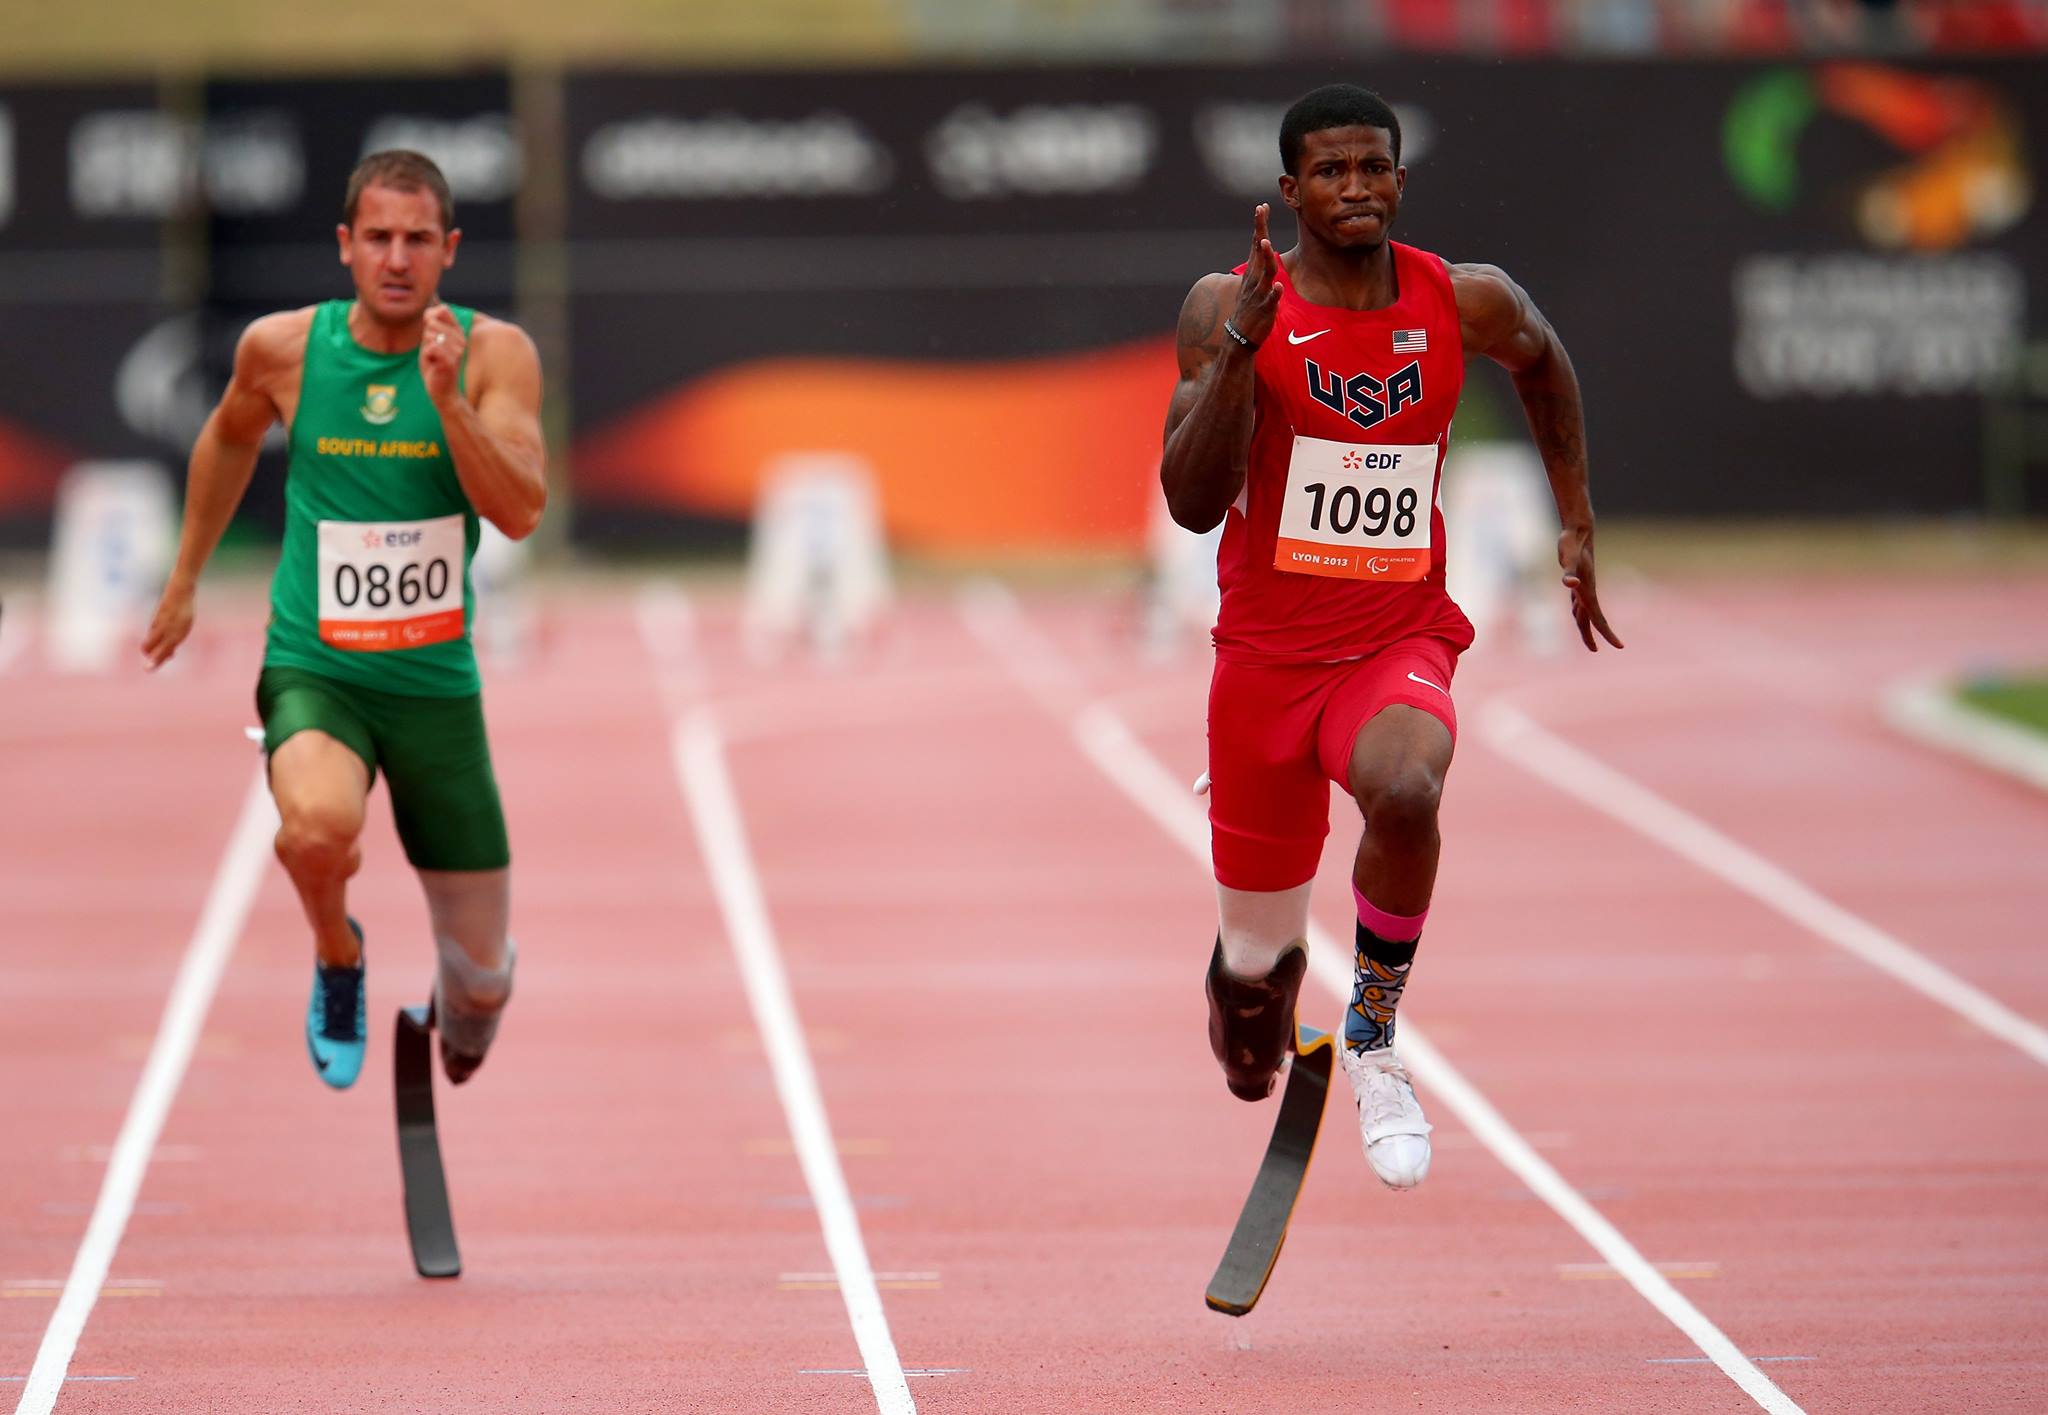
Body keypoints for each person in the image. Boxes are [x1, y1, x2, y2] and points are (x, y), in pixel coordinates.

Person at [1163, 85, 1621, 1189]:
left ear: (1400, 180)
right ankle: (1247, 994)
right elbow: (1187, 498)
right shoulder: (1222, 306)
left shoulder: (1458, 298)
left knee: (1406, 786)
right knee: (1254, 993)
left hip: (1394, 635)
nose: (1355, 187)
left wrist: (1573, 511)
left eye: (1374, 167)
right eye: (1330, 171)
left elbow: (1544, 357)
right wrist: (1239, 348)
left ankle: (1371, 1033)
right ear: (1289, 191)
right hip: (1265, 662)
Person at [142, 150, 546, 1090]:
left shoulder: (495, 355)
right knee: (316, 830)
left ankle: (472, 995)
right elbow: (228, 437)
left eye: (416, 240)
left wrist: (447, 403)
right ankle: (337, 954)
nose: (396, 259)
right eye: (377, 238)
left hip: (437, 692)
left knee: (480, 990)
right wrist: (185, 576)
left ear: (448, 251)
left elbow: (521, 509)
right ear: (344, 247)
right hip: (318, 668)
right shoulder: (283, 349)